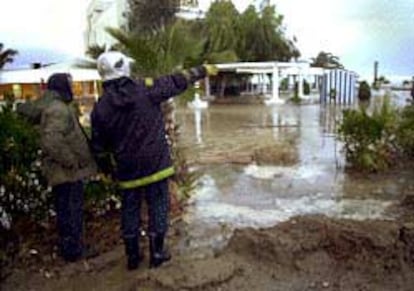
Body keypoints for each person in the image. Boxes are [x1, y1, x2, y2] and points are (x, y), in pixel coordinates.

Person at [90, 51, 217, 270]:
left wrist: (108, 170)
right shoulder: (145, 89)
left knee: (129, 210)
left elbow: (99, 147)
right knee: (158, 207)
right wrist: (202, 70)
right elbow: (176, 81)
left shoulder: (100, 108)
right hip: (156, 165)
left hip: (127, 171)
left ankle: (132, 257)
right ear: (124, 68)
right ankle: (157, 253)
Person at [17, 73, 97, 262]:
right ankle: (74, 251)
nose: (72, 87)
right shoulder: (58, 110)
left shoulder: (54, 107)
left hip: (62, 172)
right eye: (70, 84)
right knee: (71, 211)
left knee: (66, 211)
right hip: (67, 172)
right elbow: (52, 140)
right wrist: (71, 161)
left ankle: (70, 248)